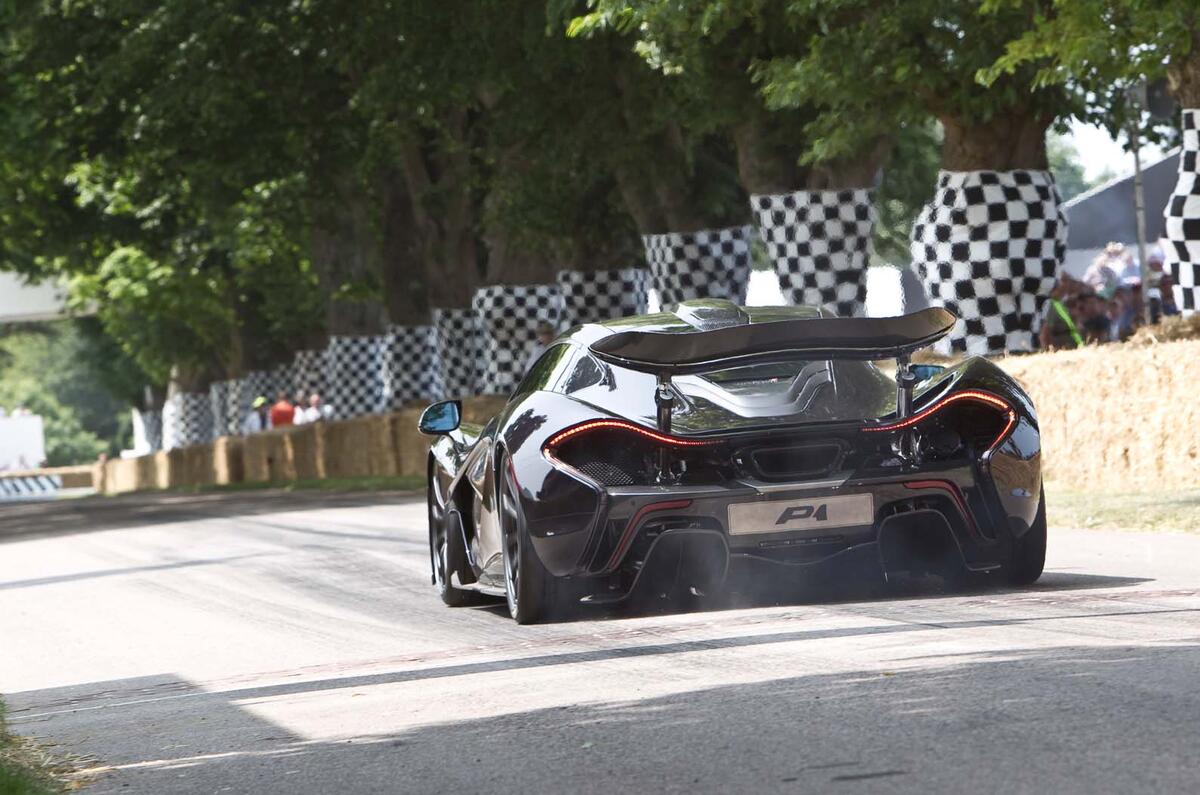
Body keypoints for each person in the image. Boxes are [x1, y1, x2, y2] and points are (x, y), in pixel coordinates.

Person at [1039, 279, 1083, 350]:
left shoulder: (1078, 305)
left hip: (1078, 347)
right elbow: (1045, 333)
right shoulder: (1054, 306)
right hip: (1061, 348)